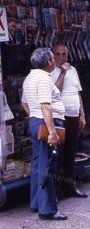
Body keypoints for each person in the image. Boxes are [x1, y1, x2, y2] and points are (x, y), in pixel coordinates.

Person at [21, 47, 67, 221]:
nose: (55, 61)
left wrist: (34, 116)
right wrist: (53, 132)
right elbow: (46, 106)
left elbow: (24, 102)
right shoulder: (43, 79)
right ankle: (47, 210)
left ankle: (36, 203)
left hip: (36, 122)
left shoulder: (30, 78)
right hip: (45, 125)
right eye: (53, 59)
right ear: (48, 62)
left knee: (37, 164)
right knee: (46, 166)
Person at [51, 44, 88, 198]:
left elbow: (77, 94)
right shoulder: (50, 71)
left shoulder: (73, 70)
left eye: (64, 54)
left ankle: (70, 186)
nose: (61, 57)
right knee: (58, 154)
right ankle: (58, 189)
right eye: (58, 54)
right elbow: (55, 91)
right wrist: (62, 73)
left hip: (73, 115)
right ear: (53, 56)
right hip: (58, 117)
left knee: (71, 152)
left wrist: (82, 115)